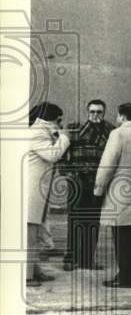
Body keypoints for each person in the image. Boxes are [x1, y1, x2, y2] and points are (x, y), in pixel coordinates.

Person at [94, 102, 131, 288]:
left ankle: (125, 278)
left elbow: (107, 165)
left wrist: (98, 190)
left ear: (122, 116)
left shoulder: (117, 133)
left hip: (119, 189)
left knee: (121, 236)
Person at [60, 99, 115, 271]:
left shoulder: (111, 132)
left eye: (99, 112)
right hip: (77, 181)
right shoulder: (75, 130)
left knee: (92, 222)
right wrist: (66, 172)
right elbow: (61, 153)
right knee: (75, 221)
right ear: (87, 112)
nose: (95, 115)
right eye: (92, 112)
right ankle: (70, 259)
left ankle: (87, 260)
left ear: (104, 113)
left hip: (97, 183)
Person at [26, 102, 71, 287]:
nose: (59, 123)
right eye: (58, 119)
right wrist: (65, 137)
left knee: (34, 234)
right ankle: (27, 276)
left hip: (38, 191)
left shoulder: (41, 130)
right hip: (30, 191)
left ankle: (34, 270)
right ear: (50, 117)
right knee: (29, 236)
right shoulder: (36, 132)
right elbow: (53, 154)